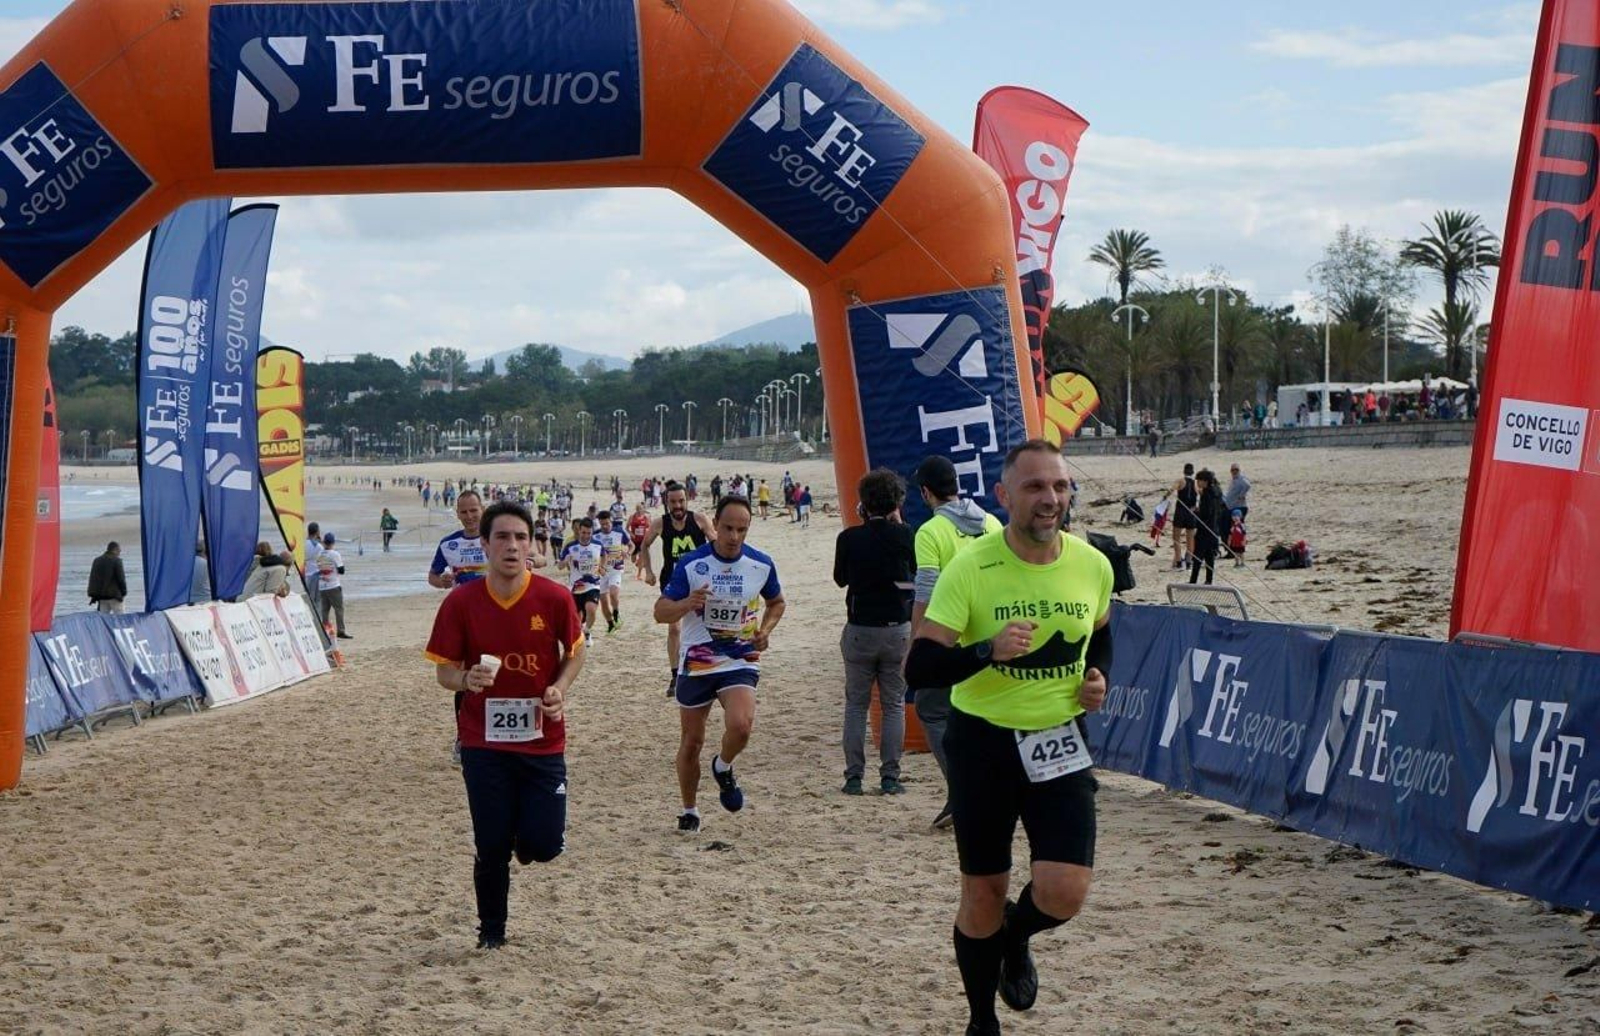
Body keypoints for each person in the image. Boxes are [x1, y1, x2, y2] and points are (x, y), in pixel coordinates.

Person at [903, 440, 1113, 1036]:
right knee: (984, 892)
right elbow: (919, 668)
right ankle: (980, 1020)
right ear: (1003, 495)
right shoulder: (972, 565)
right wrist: (984, 651)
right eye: (1035, 488)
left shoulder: (1090, 563)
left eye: (1060, 487)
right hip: (984, 745)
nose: (1051, 500)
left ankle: (1016, 940)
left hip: (1058, 740)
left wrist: (1099, 679)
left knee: (1066, 891)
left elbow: (1098, 635)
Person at [424, 500, 585, 950]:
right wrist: (467, 678)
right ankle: (491, 933)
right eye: (502, 537)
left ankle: (526, 835)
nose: (512, 546)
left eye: (520, 537)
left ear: (532, 545)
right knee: (491, 845)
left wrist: (560, 687)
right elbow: (444, 673)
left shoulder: (554, 598)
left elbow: (575, 651)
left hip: (543, 739)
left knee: (545, 844)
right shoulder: (461, 602)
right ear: (485, 545)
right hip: (482, 741)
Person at [654, 495, 785, 832]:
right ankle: (690, 809)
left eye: (741, 529)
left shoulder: (761, 564)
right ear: (716, 523)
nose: (733, 537)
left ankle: (723, 766)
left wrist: (765, 631)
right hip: (698, 661)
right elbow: (660, 611)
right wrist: (685, 603)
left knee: (741, 725)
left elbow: (777, 603)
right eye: (727, 528)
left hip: (739, 658)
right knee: (692, 741)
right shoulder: (692, 564)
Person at [909, 454, 1002, 831]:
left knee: (931, 709)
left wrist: (918, 643)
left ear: (926, 492)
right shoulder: (993, 523)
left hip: (951, 636)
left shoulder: (931, 532)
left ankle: (962, 790)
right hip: (994, 637)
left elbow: (925, 593)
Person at [832, 469, 915, 796]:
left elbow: (840, 579)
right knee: (893, 704)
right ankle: (890, 777)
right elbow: (916, 578)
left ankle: (854, 777)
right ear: (896, 502)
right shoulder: (906, 535)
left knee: (856, 705)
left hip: (860, 627)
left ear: (863, 504)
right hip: (897, 628)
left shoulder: (849, 539)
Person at [638, 481, 714, 697]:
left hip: (701, 582)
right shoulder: (660, 524)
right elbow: (644, 545)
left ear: (687, 500)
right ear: (666, 502)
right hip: (673, 582)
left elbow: (716, 542)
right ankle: (675, 675)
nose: (678, 506)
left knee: (706, 624)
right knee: (674, 629)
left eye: (681, 501)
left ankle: (707, 667)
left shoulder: (699, 520)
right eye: (673, 502)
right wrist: (649, 571)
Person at [430, 491, 487, 589]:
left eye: (473, 510)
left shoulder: (499, 539)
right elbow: (432, 576)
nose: (469, 516)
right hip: (461, 602)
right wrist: (443, 582)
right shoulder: (447, 544)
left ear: (482, 509)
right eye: (464, 512)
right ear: (458, 514)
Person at [559, 518, 604, 637]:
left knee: (591, 609)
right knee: (576, 618)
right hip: (576, 586)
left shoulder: (597, 545)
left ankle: (587, 631)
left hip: (593, 583)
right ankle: (580, 634)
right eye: (584, 532)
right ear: (579, 531)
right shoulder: (570, 546)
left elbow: (604, 555)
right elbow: (559, 566)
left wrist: (602, 567)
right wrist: (565, 561)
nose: (586, 535)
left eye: (589, 533)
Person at [594, 511, 632, 634]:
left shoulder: (619, 532)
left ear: (611, 521)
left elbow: (632, 545)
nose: (605, 526)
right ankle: (611, 624)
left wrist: (628, 552)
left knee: (613, 593)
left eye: (607, 523)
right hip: (601, 571)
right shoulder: (595, 536)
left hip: (616, 568)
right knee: (603, 601)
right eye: (602, 524)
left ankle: (616, 613)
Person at [1189, 469, 1227, 585]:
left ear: (1205, 481)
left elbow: (1206, 513)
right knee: (1209, 555)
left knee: (1198, 556)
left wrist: (1195, 512)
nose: (1198, 483)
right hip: (1214, 529)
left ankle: (1193, 581)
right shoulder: (1217, 491)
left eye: (1199, 481)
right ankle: (1209, 580)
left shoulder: (1207, 494)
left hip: (1205, 529)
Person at [316, 532, 351, 638]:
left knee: (324, 609)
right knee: (339, 608)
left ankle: (324, 630)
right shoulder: (335, 554)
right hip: (333, 585)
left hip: (322, 585)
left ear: (324, 542)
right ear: (333, 542)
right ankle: (341, 630)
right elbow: (341, 570)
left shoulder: (320, 554)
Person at [1170, 462, 1197, 570]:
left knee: (1176, 538)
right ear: (1193, 472)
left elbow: (1172, 489)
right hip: (1191, 512)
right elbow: (1200, 494)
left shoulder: (1180, 481)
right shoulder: (1195, 483)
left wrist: (1164, 497)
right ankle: (1189, 561)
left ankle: (1178, 561)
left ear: (1184, 471)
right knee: (1190, 539)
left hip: (1181, 512)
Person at [87, 541, 127, 613]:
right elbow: (121, 579)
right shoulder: (117, 561)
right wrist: (124, 592)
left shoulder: (97, 560)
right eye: (119, 550)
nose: (120, 552)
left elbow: (93, 579)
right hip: (115, 596)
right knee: (120, 619)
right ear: (115, 550)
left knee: (103, 620)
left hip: (102, 597)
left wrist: (94, 595)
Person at [626, 502, 652, 578]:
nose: (639, 511)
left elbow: (650, 527)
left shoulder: (645, 517)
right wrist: (631, 534)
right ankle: (638, 562)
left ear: (643, 510)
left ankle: (639, 574)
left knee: (641, 557)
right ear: (636, 510)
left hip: (642, 540)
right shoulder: (632, 517)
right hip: (634, 541)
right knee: (633, 560)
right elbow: (627, 528)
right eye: (638, 509)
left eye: (640, 509)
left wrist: (647, 534)